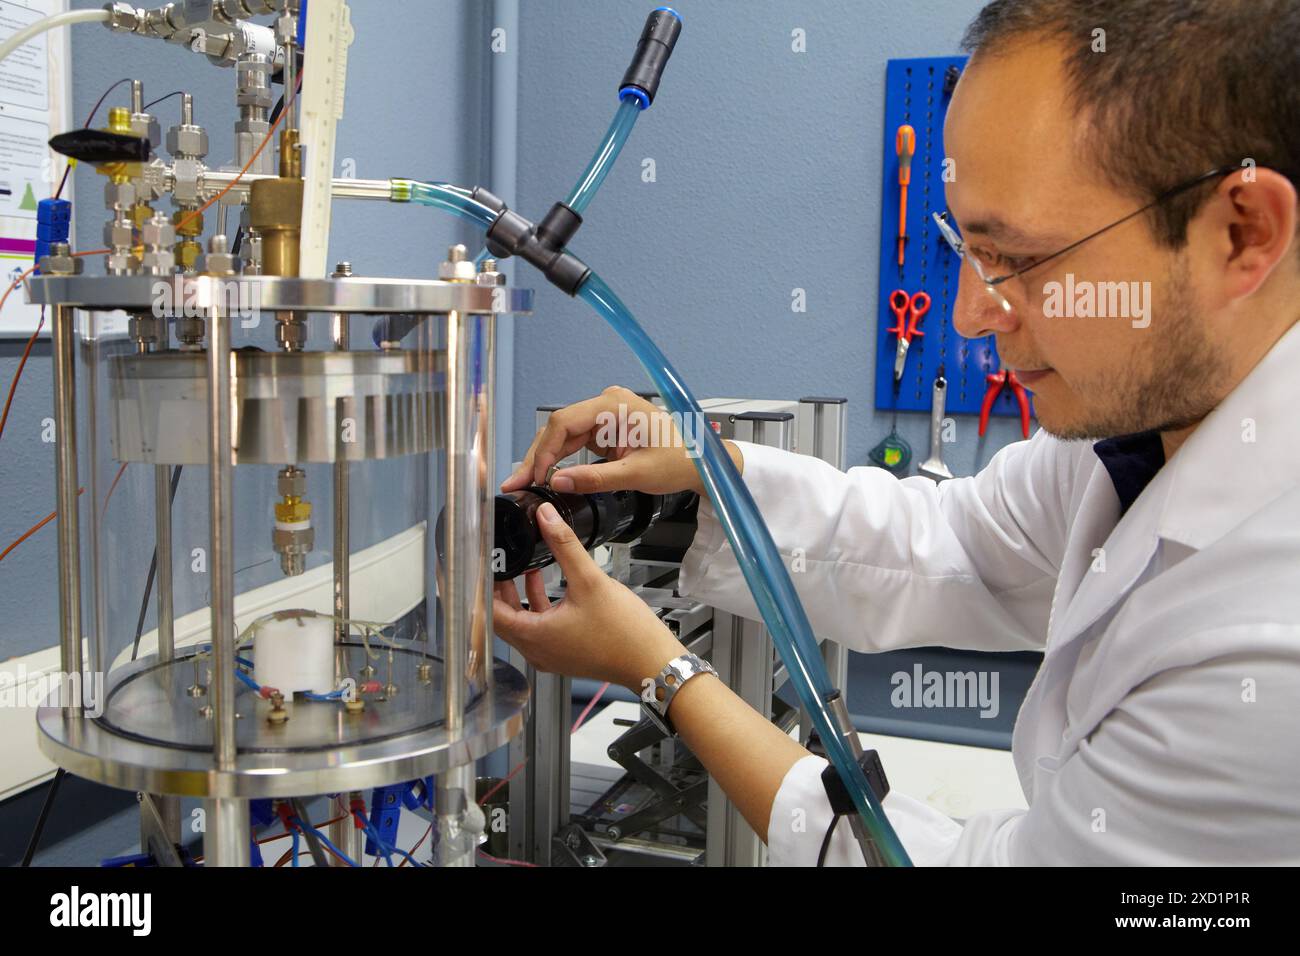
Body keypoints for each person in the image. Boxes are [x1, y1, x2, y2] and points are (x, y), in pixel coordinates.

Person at [492, 0, 1300, 865]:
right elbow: (948, 544)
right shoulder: (1140, 440)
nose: (969, 314)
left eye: (1019, 260)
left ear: (1241, 233)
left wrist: (665, 672)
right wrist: (705, 470)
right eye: (963, 244)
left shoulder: (1268, 648)